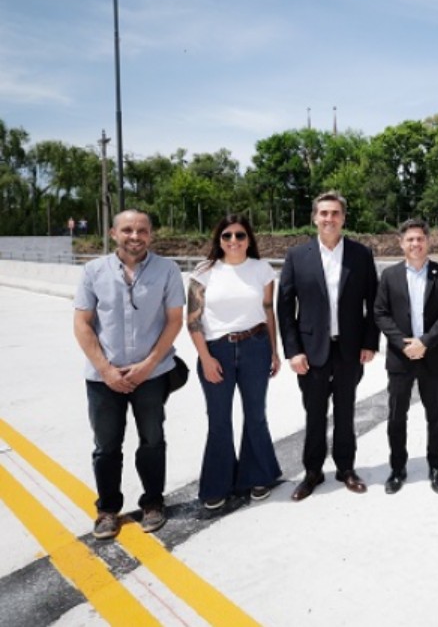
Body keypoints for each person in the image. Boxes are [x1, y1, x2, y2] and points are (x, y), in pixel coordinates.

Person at [73, 209, 185, 540]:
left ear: (151, 234)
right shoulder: (93, 271)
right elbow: (82, 323)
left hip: (151, 374)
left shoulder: (167, 270)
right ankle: (108, 509)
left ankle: (153, 503)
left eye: (141, 230)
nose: (134, 236)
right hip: (103, 378)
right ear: (113, 233)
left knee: (152, 440)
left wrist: (149, 364)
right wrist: (106, 370)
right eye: (127, 230)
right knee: (106, 446)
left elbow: (174, 320)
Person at [277, 192, 380, 501]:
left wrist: (370, 342)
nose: (329, 219)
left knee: (346, 411)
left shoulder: (361, 255)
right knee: (315, 414)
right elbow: (284, 307)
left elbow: (373, 302)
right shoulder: (297, 256)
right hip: (311, 351)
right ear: (314, 217)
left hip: (349, 349)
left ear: (343, 218)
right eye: (324, 213)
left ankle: (346, 469)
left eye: (335, 213)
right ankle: (312, 472)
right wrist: (293, 350)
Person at [187, 215, 282, 510]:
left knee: (256, 415)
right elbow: (192, 320)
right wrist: (205, 358)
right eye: (227, 235)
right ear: (219, 239)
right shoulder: (204, 272)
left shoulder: (262, 270)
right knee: (219, 420)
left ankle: (257, 476)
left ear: (249, 239)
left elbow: (268, 311)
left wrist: (274, 351)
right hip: (218, 351)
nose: (233, 241)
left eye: (240, 235)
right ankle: (218, 483)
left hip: (256, 346)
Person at [373, 219, 438, 494]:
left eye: (420, 239)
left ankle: (436, 466)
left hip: (432, 356)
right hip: (401, 357)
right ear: (401, 243)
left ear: (428, 241)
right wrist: (403, 343)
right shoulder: (390, 276)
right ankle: (398, 468)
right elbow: (380, 313)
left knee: (436, 415)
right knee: (397, 415)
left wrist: (425, 342)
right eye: (410, 239)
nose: (415, 244)